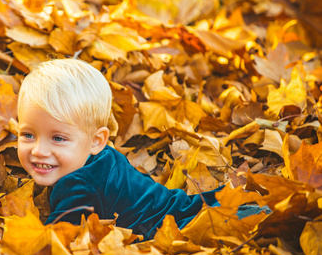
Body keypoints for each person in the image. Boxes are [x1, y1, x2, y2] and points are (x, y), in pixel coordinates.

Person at [16, 58, 261, 240]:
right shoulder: (104, 157)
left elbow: (57, 240)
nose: (39, 150)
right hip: (175, 205)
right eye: (28, 134)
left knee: (233, 224)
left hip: (169, 228)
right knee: (220, 208)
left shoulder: (78, 186)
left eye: (58, 139)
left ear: (96, 141)